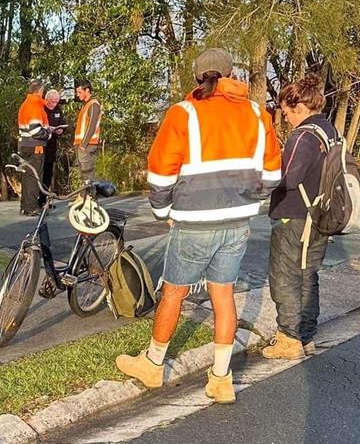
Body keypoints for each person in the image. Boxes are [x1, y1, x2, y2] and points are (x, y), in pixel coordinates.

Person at [116, 48, 281, 404]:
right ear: (230, 73)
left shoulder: (184, 113)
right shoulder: (256, 113)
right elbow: (272, 174)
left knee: (173, 293)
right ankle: (221, 379)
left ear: (197, 77)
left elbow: (160, 173)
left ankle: (153, 363)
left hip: (192, 223)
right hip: (238, 222)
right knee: (223, 295)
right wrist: (249, 198)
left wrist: (163, 212)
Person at [262, 75, 336, 360]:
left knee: (285, 276)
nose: (286, 119)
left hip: (295, 217)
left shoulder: (303, 135)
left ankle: (288, 338)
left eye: (286, 113)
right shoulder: (329, 130)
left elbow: (288, 177)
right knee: (308, 275)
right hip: (320, 214)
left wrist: (261, 183)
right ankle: (305, 336)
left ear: (299, 108)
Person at [16, 80, 51, 215]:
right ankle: (31, 208)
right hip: (35, 146)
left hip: (24, 145)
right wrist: (48, 133)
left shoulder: (25, 104)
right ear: (40, 91)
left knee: (27, 176)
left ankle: (25, 206)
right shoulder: (35, 105)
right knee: (34, 177)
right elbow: (35, 131)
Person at [73, 79, 102, 183]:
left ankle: (89, 197)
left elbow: (92, 126)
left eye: (80, 92)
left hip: (87, 145)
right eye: (77, 92)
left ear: (87, 90)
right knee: (83, 173)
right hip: (82, 144)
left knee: (87, 173)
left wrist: (83, 145)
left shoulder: (94, 104)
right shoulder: (86, 105)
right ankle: (83, 196)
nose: (77, 95)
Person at [42, 89, 66, 194]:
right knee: (39, 173)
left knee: (48, 174)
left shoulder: (58, 109)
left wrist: (61, 130)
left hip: (52, 146)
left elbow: (63, 123)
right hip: (41, 145)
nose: (54, 104)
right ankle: (37, 200)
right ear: (47, 99)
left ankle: (45, 199)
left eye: (57, 101)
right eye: (52, 101)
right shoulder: (41, 108)